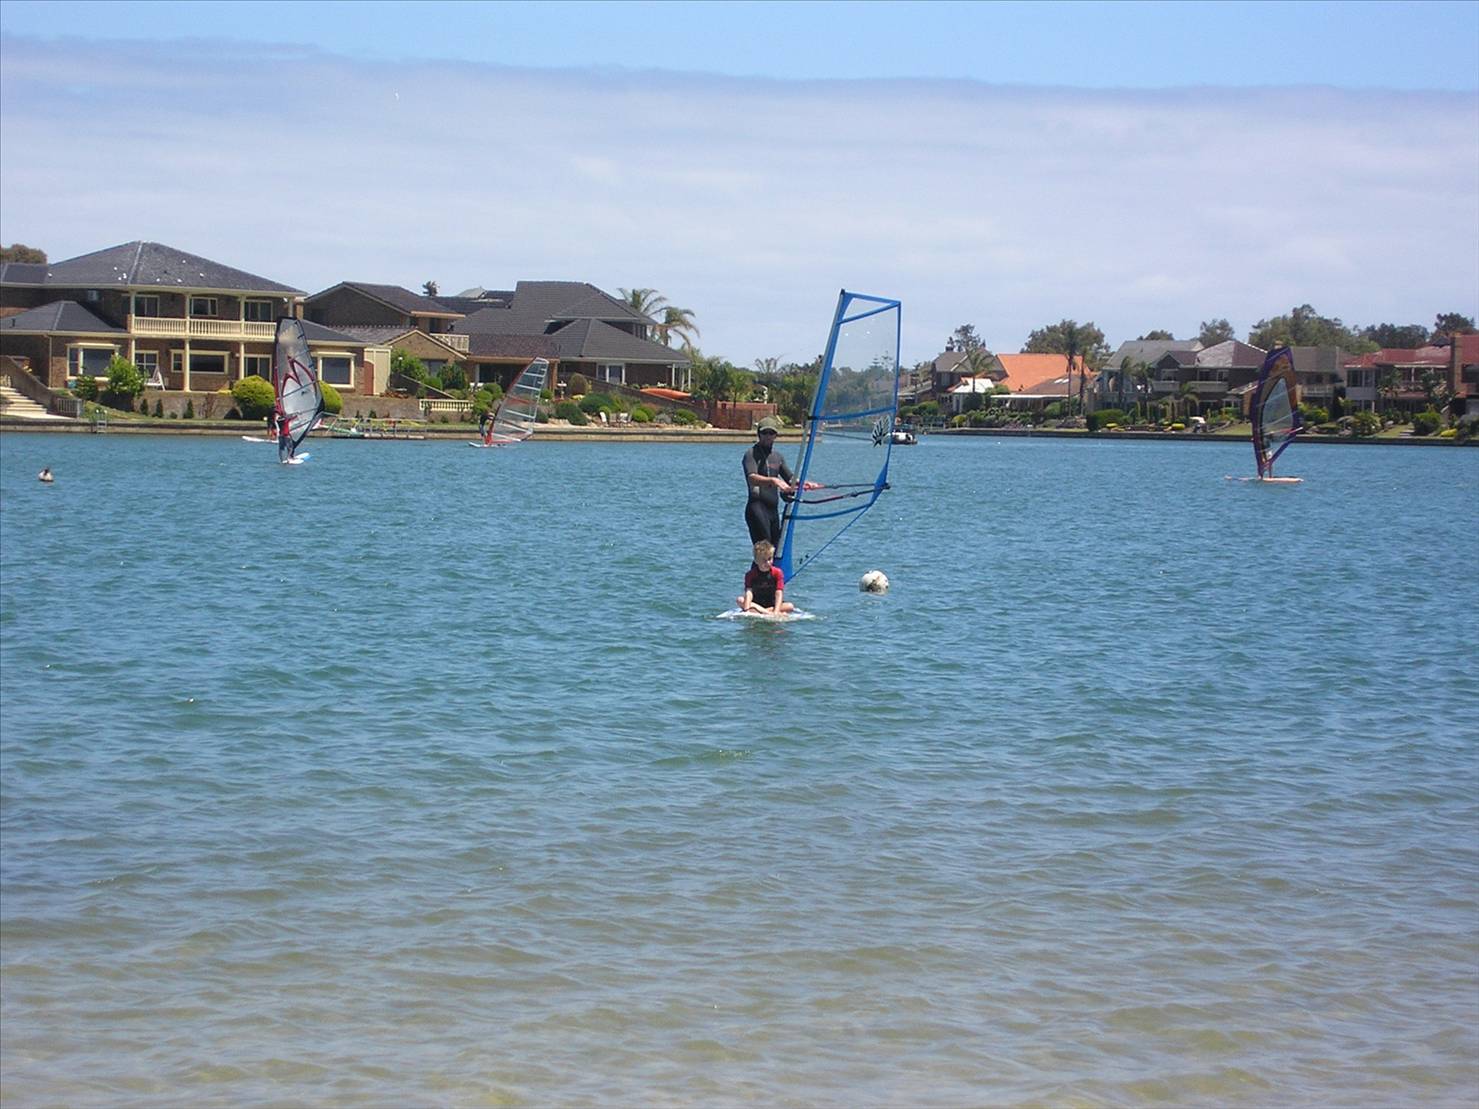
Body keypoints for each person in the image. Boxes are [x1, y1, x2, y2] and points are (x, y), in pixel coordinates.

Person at [742, 416, 818, 548]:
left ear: (776, 435)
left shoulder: (777, 457)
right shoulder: (751, 454)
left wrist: (805, 483)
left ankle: (773, 569)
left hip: (773, 510)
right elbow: (752, 478)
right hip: (757, 508)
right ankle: (758, 569)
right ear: (759, 434)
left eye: (771, 433)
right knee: (764, 549)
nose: (768, 436)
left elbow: (790, 478)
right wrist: (774, 481)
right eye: (764, 433)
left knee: (775, 549)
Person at [737, 539, 794, 616]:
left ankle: (760, 611)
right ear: (756, 561)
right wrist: (746, 610)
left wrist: (776, 612)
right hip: (757, 602)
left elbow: (779, 593)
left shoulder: (777, 573)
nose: (768, 562)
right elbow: (749, 592)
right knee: (740, 600)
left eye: (770, 559)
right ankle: (765, 612)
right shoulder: (750, 575)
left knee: (790, 606)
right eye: (764, 560)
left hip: (772, 604)